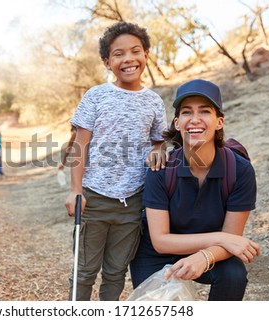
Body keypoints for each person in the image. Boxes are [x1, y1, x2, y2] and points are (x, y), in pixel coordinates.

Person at [129, 79, 260, 301]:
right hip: (156, 251)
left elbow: (232, 240)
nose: (195, 119)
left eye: (205, 111)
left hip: (211, 247)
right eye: (187, 112)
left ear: (219, 122)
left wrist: (205, 257)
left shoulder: (239, 170)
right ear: (177, 123)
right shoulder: (160, 169)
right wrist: (221, 238)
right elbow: (161, 240)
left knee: (233, 274)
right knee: (152, 304)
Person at [65, 21, 168, 301]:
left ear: (146, 54)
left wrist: (158, 149)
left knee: (115, 273)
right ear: (107, 62)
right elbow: (79, 145)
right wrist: (76, 190)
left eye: (135, 51)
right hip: (94, 199)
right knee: (85, 271)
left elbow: (159, 140)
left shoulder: (154, 102)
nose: (128, 59)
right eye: (118, 54)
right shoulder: (96, 96)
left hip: (132, 203)